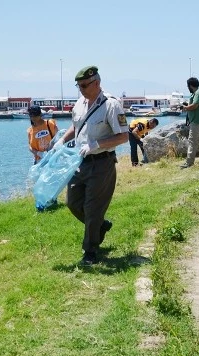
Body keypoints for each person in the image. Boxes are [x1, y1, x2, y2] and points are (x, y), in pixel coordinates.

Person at [53, 65, 128, 266]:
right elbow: (77, 125)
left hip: (101, 163)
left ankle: (90, 251)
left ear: (97, 83)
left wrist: (97, 144)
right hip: (80, 162)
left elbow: (123, 136)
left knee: (93, 208)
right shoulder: (80, 103)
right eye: (79, 86)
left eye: (85, 85)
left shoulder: (111, 105)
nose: (82, 89)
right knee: (72, 203)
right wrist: (62, 140)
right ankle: (101, 225)